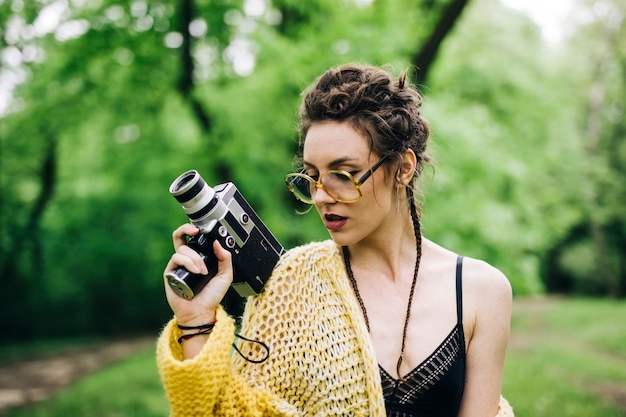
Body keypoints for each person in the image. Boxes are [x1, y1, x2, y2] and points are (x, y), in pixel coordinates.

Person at [157, 63, 514, 416]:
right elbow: (235, 411)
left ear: (403, 168)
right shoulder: (290, 284)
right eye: (312, 176)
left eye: (344, 174)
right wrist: (195, 321)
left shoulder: (482, 291)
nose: (322, 196)